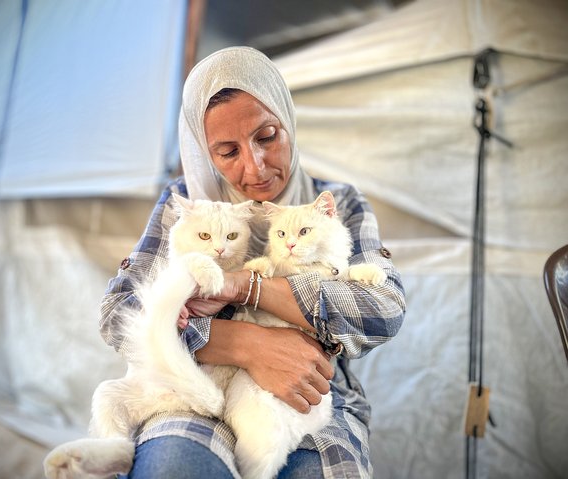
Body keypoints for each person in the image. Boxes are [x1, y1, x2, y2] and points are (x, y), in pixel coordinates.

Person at [100, 46, 406, 479]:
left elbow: (384, 310)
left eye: (266, 137)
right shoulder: (185, 204)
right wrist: (247, 344)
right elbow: (119, 313)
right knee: (174, 467)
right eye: (227, 151)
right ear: (205, 152)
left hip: (306, 391)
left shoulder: (341, 203)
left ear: (287, 119)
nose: (255, 167)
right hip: (193, 383)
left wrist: (249, 286)